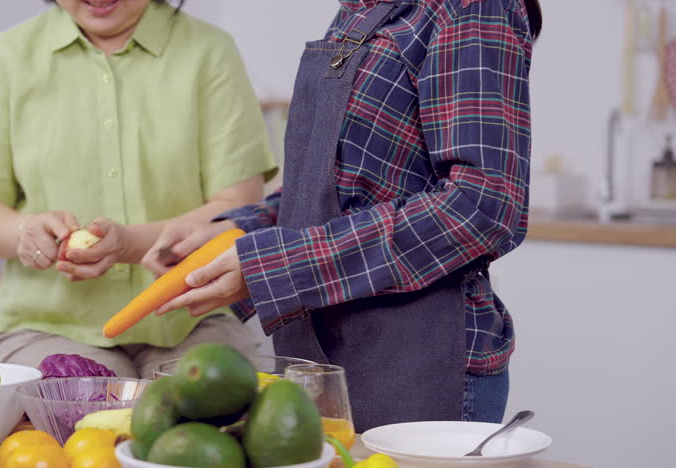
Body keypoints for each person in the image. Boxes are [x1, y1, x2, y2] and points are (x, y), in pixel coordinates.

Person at [144, 0, 542, 430]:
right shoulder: (358, 10)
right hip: (321, 357)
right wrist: (234, 232)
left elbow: (481, 207)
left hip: (416, 365)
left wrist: (276, 265)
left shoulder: (470, 8)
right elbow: (339, 188)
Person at [0, 0, 278, 378]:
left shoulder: (209, 52)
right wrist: (25, 230)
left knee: (200, 424)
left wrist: (130, 243)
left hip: (194, 320)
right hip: (49, 327)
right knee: (90, 421)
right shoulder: (9, 56)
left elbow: (238, 206)